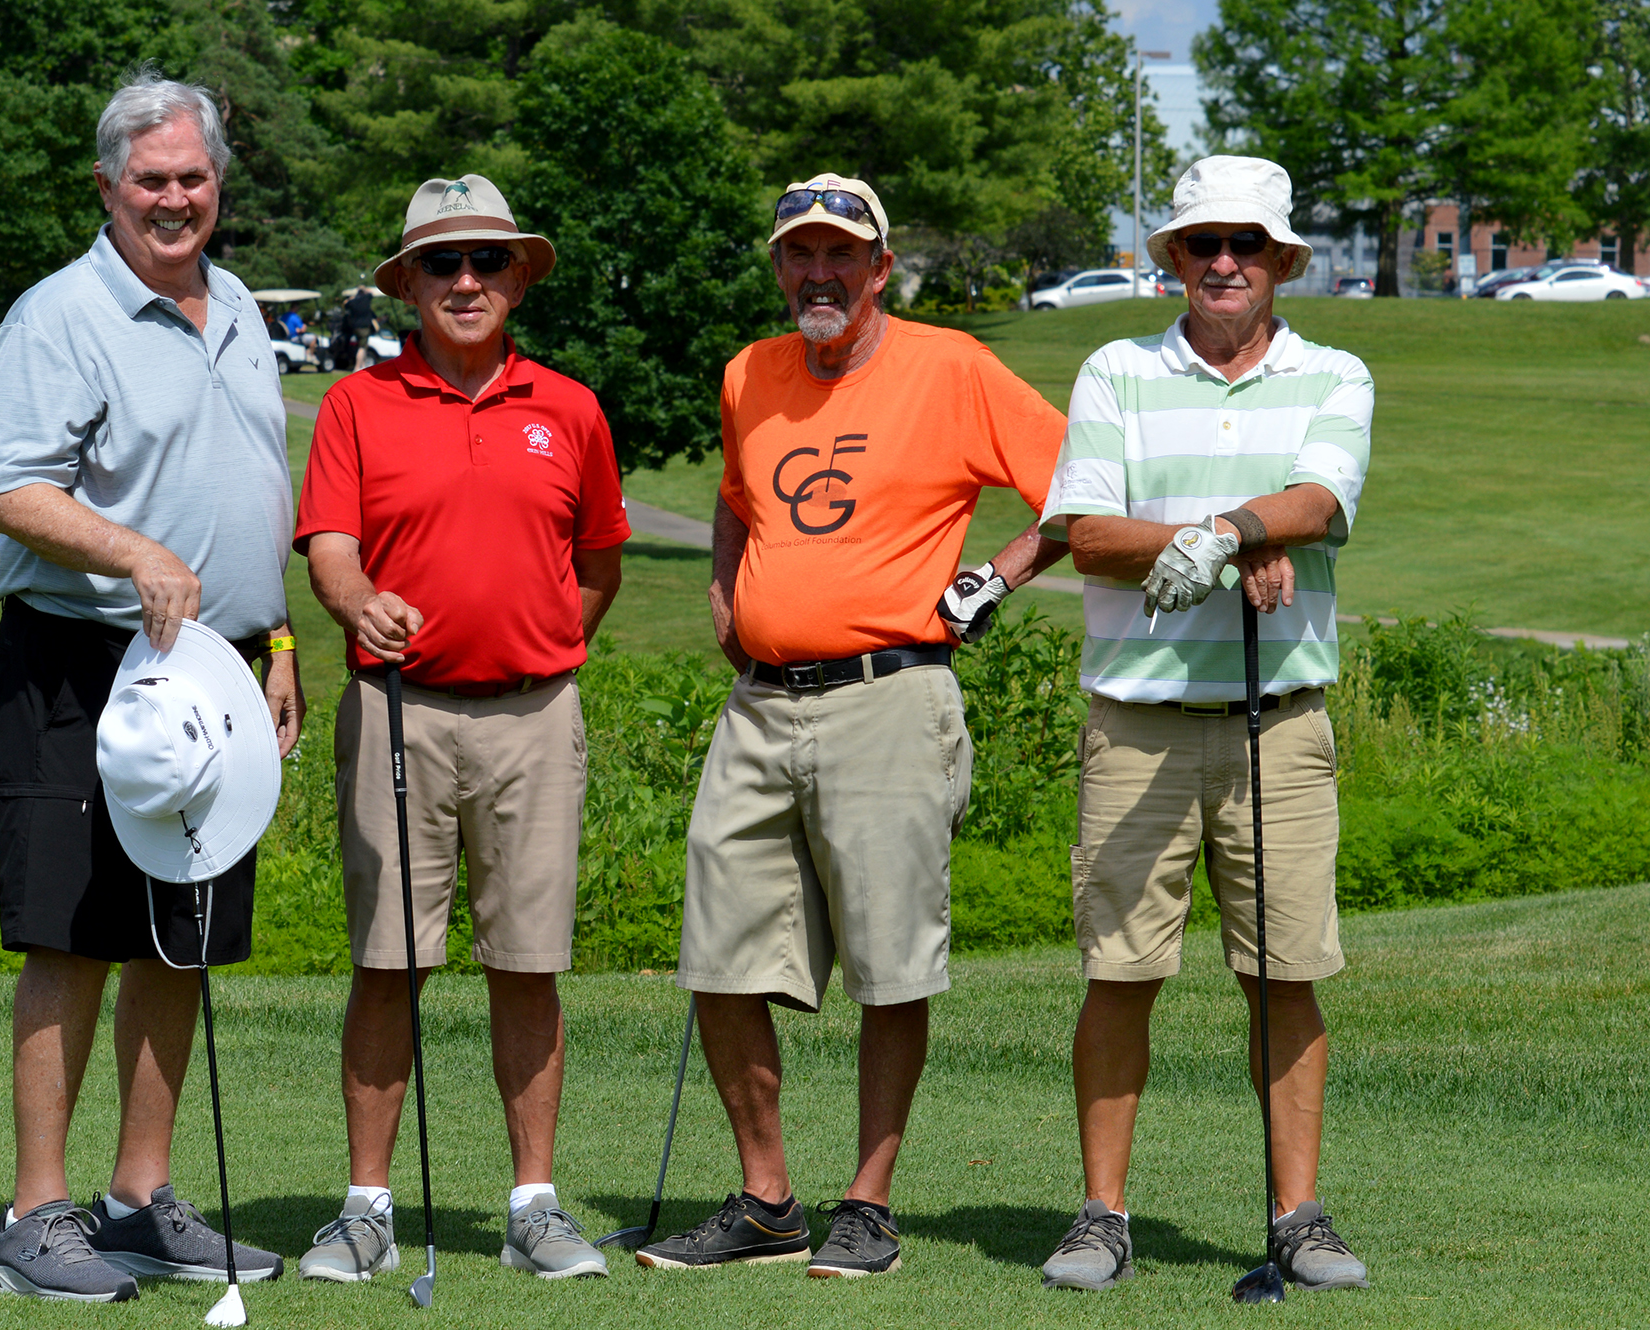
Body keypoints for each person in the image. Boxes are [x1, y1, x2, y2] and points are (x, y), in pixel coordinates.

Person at [636, 173, 1069, 1278]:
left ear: (880, 268)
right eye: (798, 254)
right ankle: (766, 1198)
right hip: (762, 703)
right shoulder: (749, 373)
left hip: (891, 694)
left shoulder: (952, 366)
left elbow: (1077, 485)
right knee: (718, 951)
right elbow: (739, 503)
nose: (816, 273)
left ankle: (867, 1202)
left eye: (840, 254)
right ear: (779, 266)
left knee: (890, 962)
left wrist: (996, 578)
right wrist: (725, 596)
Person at [0, 70, 301, 1302]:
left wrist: (274, 644)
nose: (175, 198)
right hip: (81, 658)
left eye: (194, 177)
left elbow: (252, 495)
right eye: (151, 178)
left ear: (219, 184)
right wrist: (136, 551)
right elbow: (17, 489)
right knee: (71, 934)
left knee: (182, 934)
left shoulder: (236, 312)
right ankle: (35, 1213)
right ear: (107, 185)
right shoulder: (57, 315)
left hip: (212, 672)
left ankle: (136, 1197)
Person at [1033, 155, 1372, 1294]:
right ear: (1170, 256)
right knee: (1119, 972)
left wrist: (1213, 528)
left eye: (1242, 245)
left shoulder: (1333, 371)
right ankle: (1099, 1215)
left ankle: (1297, 1217)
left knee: (1283, 974)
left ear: (1279, 261)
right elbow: (1081, 530)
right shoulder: (1115, 369)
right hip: (1135, 720)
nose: (1219, 262)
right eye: (1197, 243)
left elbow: (1318, 502)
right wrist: (1243, 533)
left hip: (1276, 724)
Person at [295, 174, 629, 1283]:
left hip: (533, 718)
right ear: (407, 285)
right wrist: (354, 604)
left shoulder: (568, 406)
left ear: (518, 275)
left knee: (526, 965)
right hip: (400, 711)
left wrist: (535, 642)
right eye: (442, 263)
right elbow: (332, 547)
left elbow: (596, 567)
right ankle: (365, 1207)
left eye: (487, 259)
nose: (467, 280)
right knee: (388, 960)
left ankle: (533, 1204)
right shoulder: (357, 404)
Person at [344, 286, 380, 369]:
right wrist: (363, 288)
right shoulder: (366, 299)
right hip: (364, 327)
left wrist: (351, 298)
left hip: (355, 327)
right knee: (362, 347)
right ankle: (357, 367)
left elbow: (345, 303)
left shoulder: (352, 302)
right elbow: (371, 292)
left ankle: (363, 365)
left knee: (362, 346)